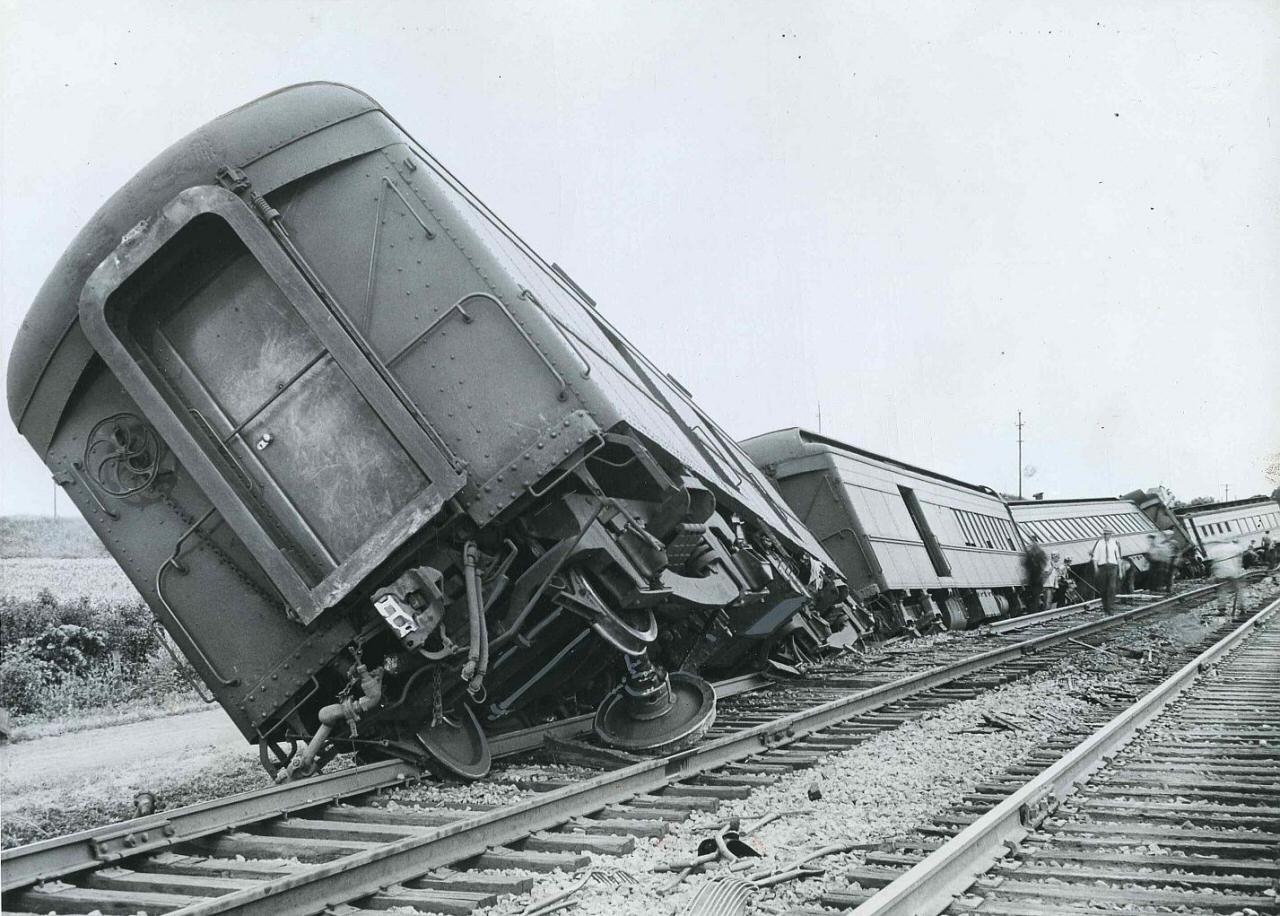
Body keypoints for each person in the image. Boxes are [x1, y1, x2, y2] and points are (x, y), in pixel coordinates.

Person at [1206, 537, 1246, 618]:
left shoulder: (1215, 549)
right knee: (1238, 589)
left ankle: (1222, 609)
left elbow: (1212, 562)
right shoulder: (1234, 547)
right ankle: (1242, 607)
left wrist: (1213, 574)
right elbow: (1241, 555)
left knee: (1222, 590)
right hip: (1233, 572)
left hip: (1221, 573)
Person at [1089, 527, 1123, 613]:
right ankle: (1106, 607)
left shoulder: (1114, 543)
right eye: (1105, 534)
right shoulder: (1099, 543)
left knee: (1112, 587)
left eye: (1108, 534)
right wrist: (1096, 568)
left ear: (1110, 534)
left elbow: (1118, 558)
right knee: (1103, 588)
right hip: (1102, 567)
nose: (1106, 536)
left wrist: (1120, 571)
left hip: (1113, 566)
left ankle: (1110, 607)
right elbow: (1095, 557)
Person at [1022, 534, 1048, 612]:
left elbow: (1025, 563)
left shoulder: (1031, 551)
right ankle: (1037, 609)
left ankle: (1035, 610)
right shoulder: (1039, 551)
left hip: (1033, 576)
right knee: (1036, 594)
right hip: (1037, 576)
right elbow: (1044, 561)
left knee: (1034, 594)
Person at [1145, 531, 1175, 595]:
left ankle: (1166, 589)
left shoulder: (1162, 545)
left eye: (1151, 539)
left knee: (1164, 577)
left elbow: (1165, 555)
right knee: (1154, 577)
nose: (1149, 541)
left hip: (1161, 563)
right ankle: (1155, 590)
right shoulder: (1154, 546)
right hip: (1155, 563)